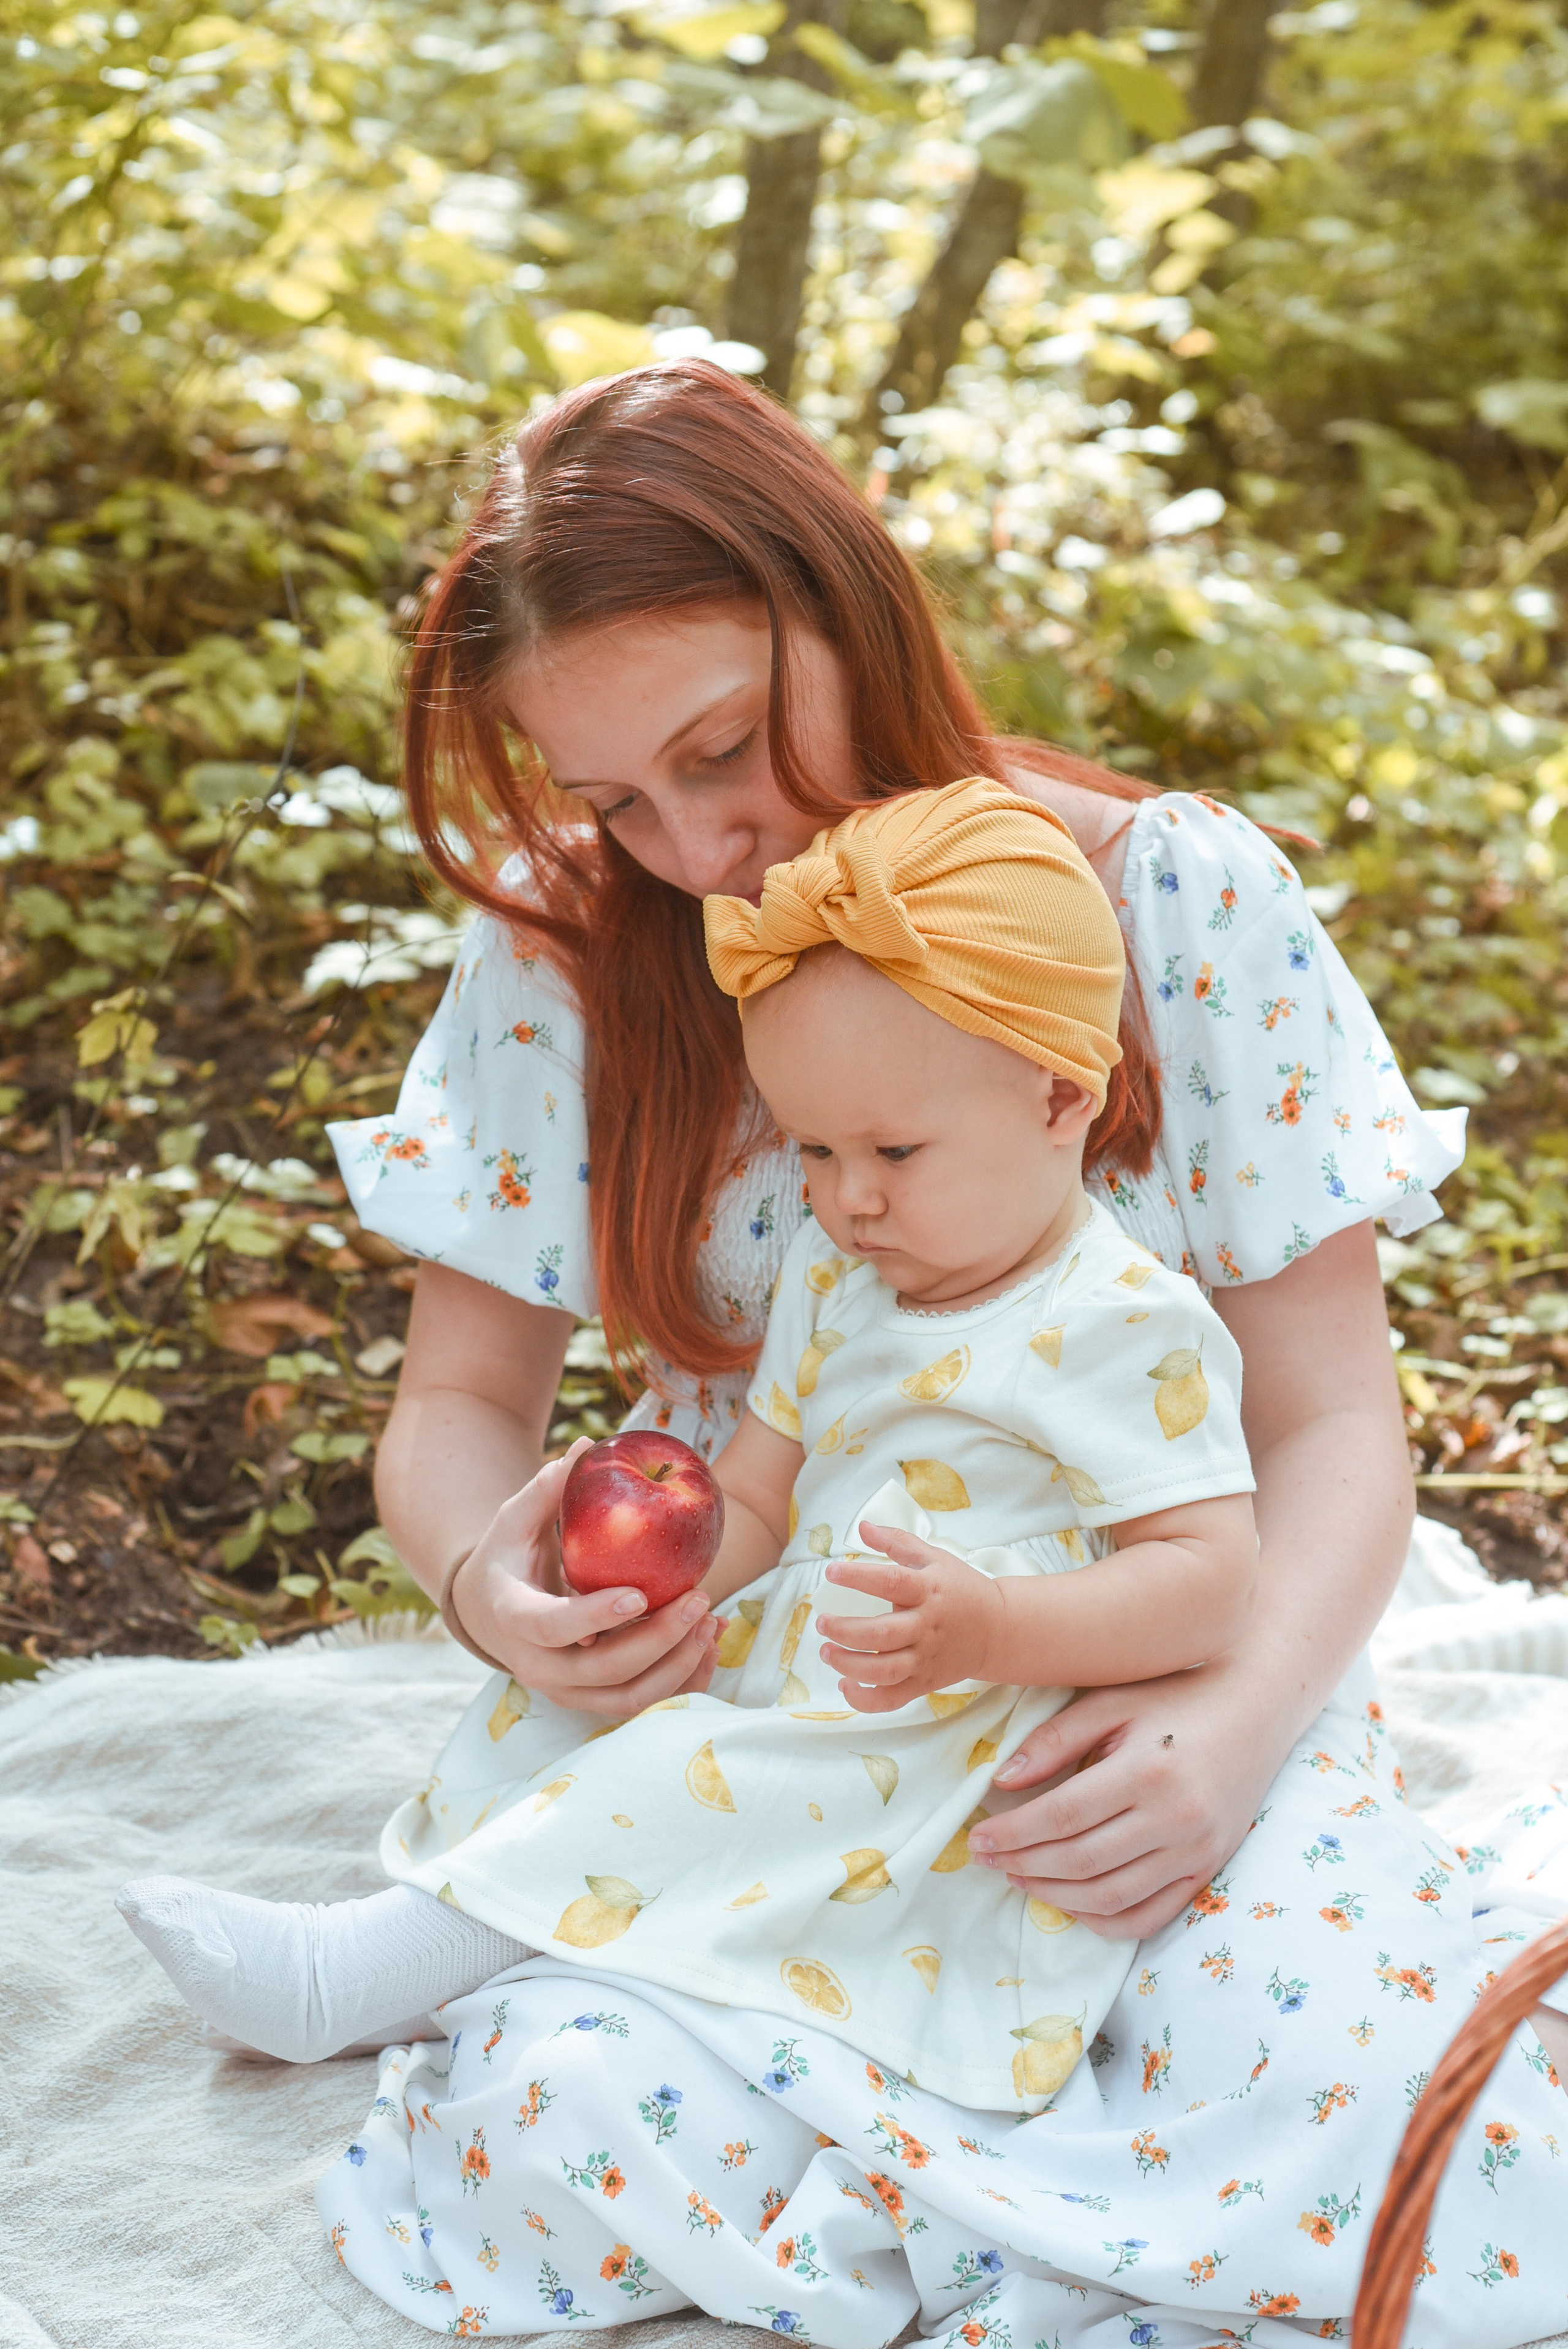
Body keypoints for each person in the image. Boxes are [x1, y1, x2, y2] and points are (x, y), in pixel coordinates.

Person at [132, 362, 1568, 2339]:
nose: (699, 843)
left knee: (1367, 2098)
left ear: (848, 601)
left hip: (1143, 1665)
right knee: (560, 2121)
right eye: (616, 799)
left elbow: (1329, 1428)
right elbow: (458, 1407)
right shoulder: (574, 958)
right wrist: (490, 1581)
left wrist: (1223, 1747)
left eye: (724, 746)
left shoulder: (1172, 905)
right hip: (765, 1685)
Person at [116, 782, 1261, 2111]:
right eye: (815, 1149)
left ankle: (364, 1975)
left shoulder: (1121, 1323)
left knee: (683, 1778)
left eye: (893, 1148)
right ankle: (480, 1932)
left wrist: (990, 1627)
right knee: (587, 1713)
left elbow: (1208, 1577)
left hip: (955, 1727)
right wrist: (670, 1598)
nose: (849, 1196)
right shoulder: (843, 1278)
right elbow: (768, 1497)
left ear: (1062, 1098)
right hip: (825, 1655)